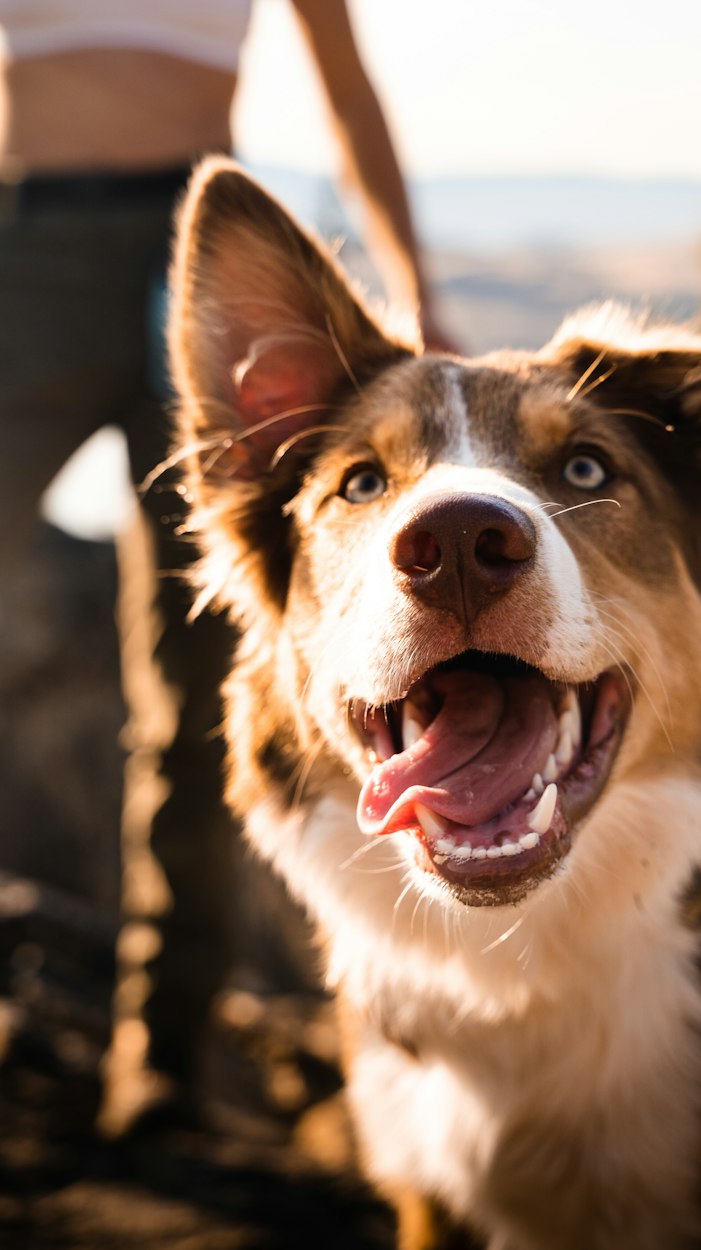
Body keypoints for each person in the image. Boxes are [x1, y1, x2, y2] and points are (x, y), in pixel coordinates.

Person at [0, 0, 455, 1135]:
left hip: (197, 248)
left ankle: (162, 1056)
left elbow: (349, 97)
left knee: (204, 684)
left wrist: (414, 286)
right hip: (25, 255)